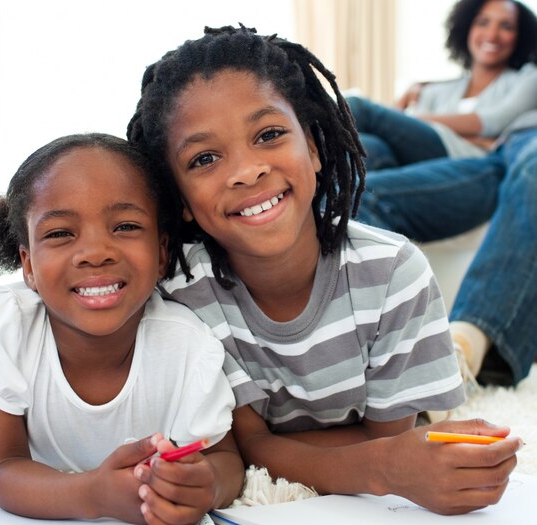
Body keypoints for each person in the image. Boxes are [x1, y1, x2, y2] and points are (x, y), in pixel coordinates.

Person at [127, 25, 523, 516]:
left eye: (269, 134)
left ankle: (464, 352)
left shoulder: (395, 273)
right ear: (179, 198)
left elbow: (387, 439)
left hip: (395, 361)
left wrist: (377, 452)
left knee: (443, 400)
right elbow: (254, 448)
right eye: (205, 158)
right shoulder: (189, 299)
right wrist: (382, 465)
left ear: (313, 149)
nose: (247, 171)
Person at [0, 133, 244, 524]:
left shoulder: (189, 346)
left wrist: (204, 485)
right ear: (27, 265)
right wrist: (94, 494)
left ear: (162, 253)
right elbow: (1, 468)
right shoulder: (3, 324)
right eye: (60, 233)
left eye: (125, 226)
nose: (95, 253)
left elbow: (226, 459)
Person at [356, 110, 537, 390]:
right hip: (500, 151)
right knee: (363, 195)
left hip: (524, 149)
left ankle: (460, 353)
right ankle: (376, 346)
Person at [347, 0, 537, 170]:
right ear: (467, 28)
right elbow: (407, 133)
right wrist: (479, 141)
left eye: (506, 26)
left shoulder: (528, 79)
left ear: (521, 36)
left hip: (468, 166)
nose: (492, 34)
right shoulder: (436, 90)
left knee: (359, 107)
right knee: (368, 146)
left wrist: (414, 119)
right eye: (483, 22)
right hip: (417, 162)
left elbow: (494, 122)